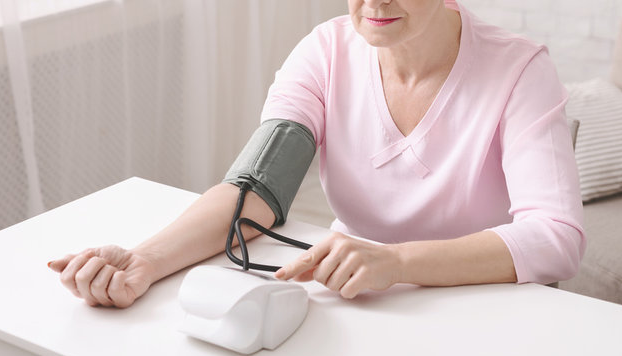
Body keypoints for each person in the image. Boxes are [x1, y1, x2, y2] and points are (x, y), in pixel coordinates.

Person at [48, 0, 585, 308]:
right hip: (362, 299)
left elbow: (556, 238)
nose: (374, 1)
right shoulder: (325, 52)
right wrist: (146, 259)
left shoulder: (519, 71)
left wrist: (395, 262)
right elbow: (258, 188)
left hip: (485, 305)